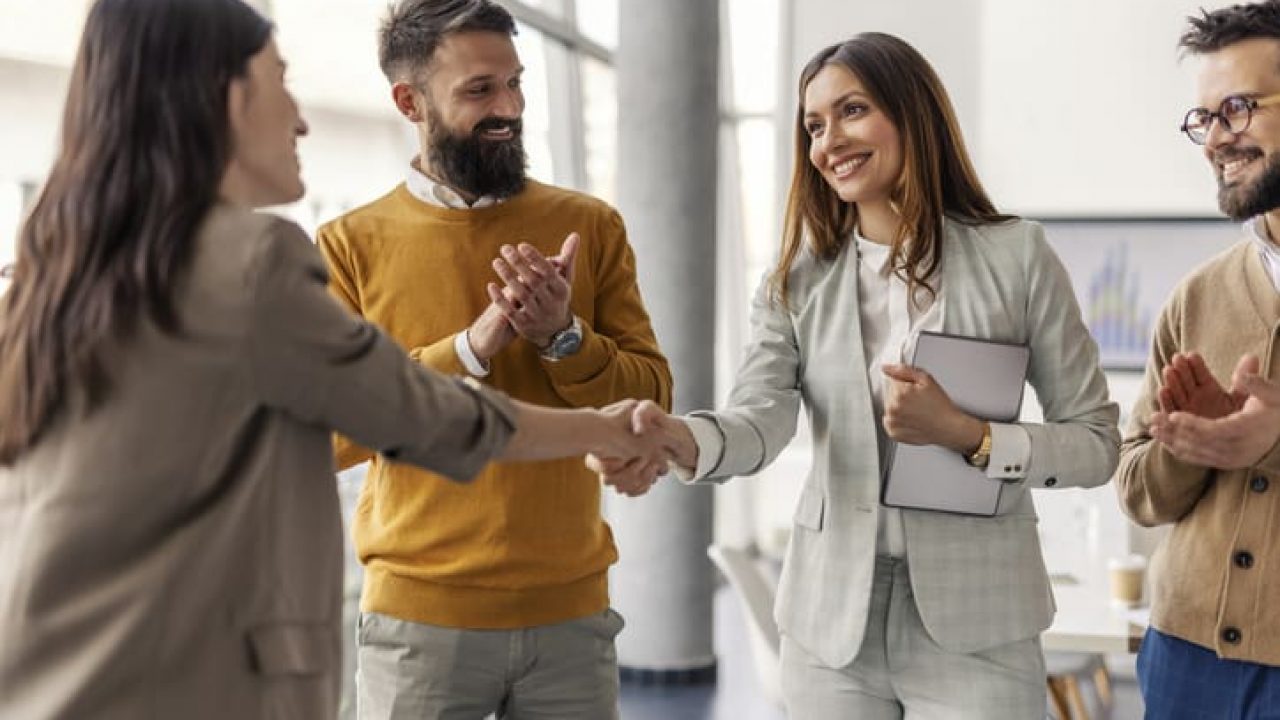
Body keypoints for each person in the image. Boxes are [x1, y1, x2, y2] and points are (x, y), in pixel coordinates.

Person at [0, 1, 663, 718]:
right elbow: (412, 417)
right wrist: (598, 423)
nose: (303, 118)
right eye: (280, 81)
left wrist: (565, 339)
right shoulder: (265, 260)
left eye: (516, 83)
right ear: (227, 98)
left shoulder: (51, 272)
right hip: (216, 668)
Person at [594, 32, 1120, 718]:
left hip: (980, 624)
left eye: (851, 111)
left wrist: (969, 434)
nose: (828, 141)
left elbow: (1097, 441)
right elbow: (760, 418)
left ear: (912, 114)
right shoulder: (796, 278)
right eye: (813, 125)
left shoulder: (1016, 257)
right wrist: (680, 439)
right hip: (830, 624)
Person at [313, 1, 672, 718]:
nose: (508, 107)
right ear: (409, 101)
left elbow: (650, 395)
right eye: (480, 90)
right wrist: (470, 349)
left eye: (516, 83)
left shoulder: (590, 225)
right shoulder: (347, 245)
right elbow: (324, 436)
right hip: (418, 625)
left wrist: (563, 336)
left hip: (572, 619)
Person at [1115, 2, 1280, 714]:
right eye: (1204, 119)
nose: (1216, 138)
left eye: (1238, 109)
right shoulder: (1196, 297)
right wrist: (1195, 446)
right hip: (1184, 660)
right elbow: (1136, 489)